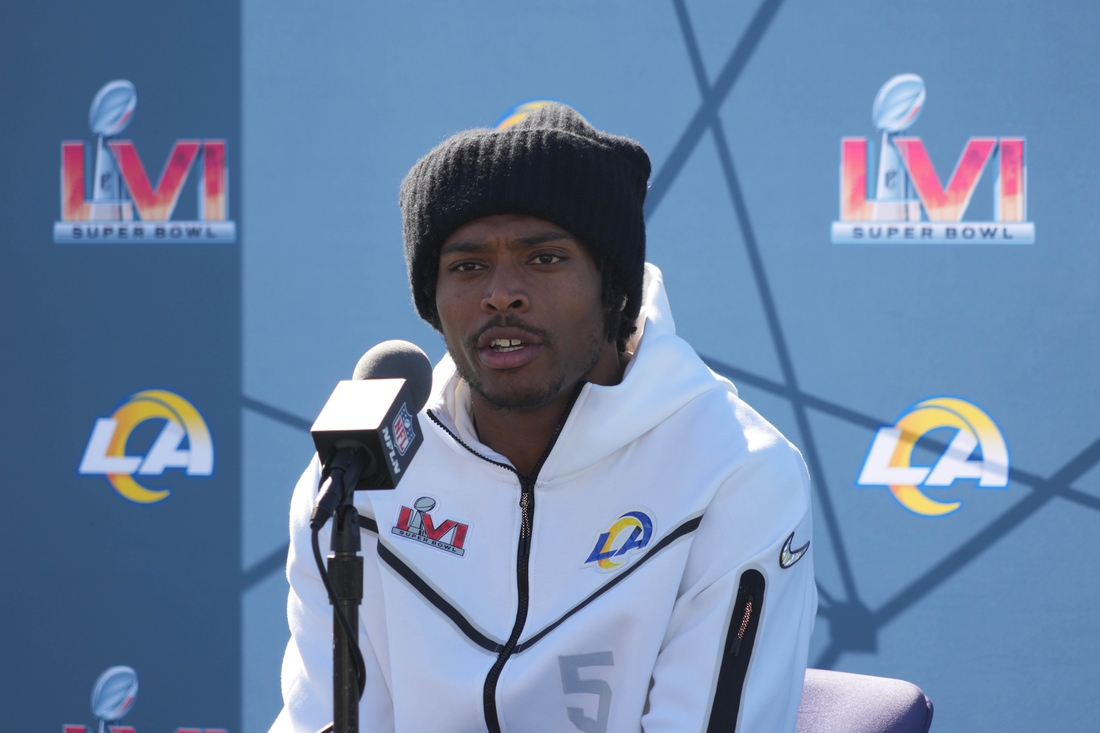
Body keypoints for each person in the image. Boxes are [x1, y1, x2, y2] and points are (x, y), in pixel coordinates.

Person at [273, 103, 816, 733]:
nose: (501, 292)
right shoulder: (352, 477)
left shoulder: (735, 472)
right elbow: (319, 717)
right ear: (433, 303)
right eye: (467, 265)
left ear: (615, 288)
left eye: (544, 258)